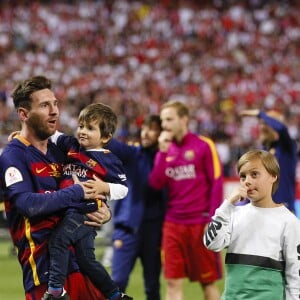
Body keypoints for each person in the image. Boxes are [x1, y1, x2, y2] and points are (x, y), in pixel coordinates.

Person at [0, 75, 111, 300]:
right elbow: (28, 205)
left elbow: (91, 183)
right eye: (44, 105)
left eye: (55, 104)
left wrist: (101, 207)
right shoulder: (13, 156)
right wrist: (78, 193)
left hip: (82, 265)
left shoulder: (61, 152)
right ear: (24, 114)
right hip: (46, 272)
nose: (54, 111)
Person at [43, 103, 132, 300]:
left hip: (84, 211)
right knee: (86, 260)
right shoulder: (72, 146)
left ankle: (55, 291)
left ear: (106, 137)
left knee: (58, 240)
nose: (82, 131)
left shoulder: (109, 160)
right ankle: (115, 295)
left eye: (90, 128)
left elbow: (123, 188)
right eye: (81, 126)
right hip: (73, 211)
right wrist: (22, 136)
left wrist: (104, 188)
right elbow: (51, 133)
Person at [148, 100, 223, 300]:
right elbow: (155, 183)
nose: (164, 125)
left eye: (169, 119)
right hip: (173, 225)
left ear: (184, 119)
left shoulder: (204, 145)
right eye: (163, 120)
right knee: (172, 282)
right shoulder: (165, 150)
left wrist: (213, 219)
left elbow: (216, 182)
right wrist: (162, 153)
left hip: (201, 224)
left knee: (207, 283)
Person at [204, 149, 300, 299]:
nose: (247, 181)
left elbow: (295, 275)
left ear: (273, 176)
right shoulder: (234, 214)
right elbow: (211, 243)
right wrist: (228, 204)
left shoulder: (289, 222)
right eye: (243, 176)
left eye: (254, 174)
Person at [106, 115, 167, 300]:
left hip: (155, 233)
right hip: (127, 230)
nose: (145, 133)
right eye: (144, 128)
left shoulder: (168, 159)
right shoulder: (132, 154)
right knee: (116, 284)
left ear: (162, 134)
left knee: (152, 287)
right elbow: (110, 144)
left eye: (152, 129)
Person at [239, 109, 297, 212]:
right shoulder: (263, 151)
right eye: (260, 124)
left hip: (284, 209)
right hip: (263, 210)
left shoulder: (287, 147)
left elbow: (282, 128)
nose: (261, 127)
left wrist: (259, 113)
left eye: (265, 123)